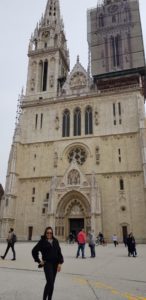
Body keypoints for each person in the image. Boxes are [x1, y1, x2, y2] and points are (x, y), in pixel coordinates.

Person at [32, 226, 64, 300]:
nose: (49, 234)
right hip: (47, 264)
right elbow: (34, 251)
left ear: (52, 233)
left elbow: (59, 253)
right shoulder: (42, 241)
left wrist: (60, 263)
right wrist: (39, 261)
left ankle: (49, 298)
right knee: (49, 282)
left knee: (52, 283)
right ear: (45, 233)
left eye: (50, 233)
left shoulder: (55, 241)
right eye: (48, 233)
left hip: (55, 264)